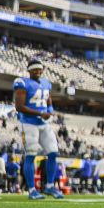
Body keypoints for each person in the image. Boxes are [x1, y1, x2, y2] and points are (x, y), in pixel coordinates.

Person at [12, 59, 63, 200]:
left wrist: (50, 110)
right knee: (31, 155)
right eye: (34, 69)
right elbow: (19, 106)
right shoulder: (22, 83)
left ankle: (50, 186)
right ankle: (32, 189)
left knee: (53, 152)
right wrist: (41, 113)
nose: (38, 71)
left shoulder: (46, 83)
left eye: (40, 69)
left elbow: (48, 98)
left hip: (43, 124)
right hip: (28, 123)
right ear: (29, 71)